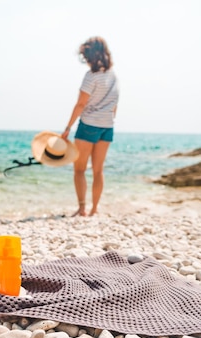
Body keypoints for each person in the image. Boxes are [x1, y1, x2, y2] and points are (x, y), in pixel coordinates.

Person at [61, 36, 119, 217]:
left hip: (88, 126)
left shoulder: (91, 77)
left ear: (90, 56)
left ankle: (82, 208)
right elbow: (115, 103)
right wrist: (108, 120)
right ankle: (95, 209)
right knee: (98, 170)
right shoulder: (113, 75)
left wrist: (68, 127)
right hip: (107, 126)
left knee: (79, 169)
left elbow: (81, 104)